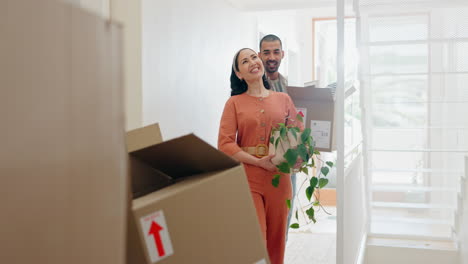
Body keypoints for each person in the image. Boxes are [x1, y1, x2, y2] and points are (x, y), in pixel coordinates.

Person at [218, 48, 303, 264]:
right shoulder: (234, 103)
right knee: (255, 239)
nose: (252, 62)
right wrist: (257, 162)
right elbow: (225, 143)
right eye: (244, 61)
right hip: (248, 179)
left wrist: (298, 155)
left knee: (276, 241)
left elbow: (298, 134)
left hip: (279, 178)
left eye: (254, 57)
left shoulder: (283, 99)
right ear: (239, 74)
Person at [259, 34, 296, 237]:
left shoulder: (287, 86)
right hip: (262, 162)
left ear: (282, 54)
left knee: (283, 222)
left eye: (275, 52)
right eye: (266, 52)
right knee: (261, 225)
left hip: (287, 164)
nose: (271, 57)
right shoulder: (252, 86)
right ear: (259, 56)